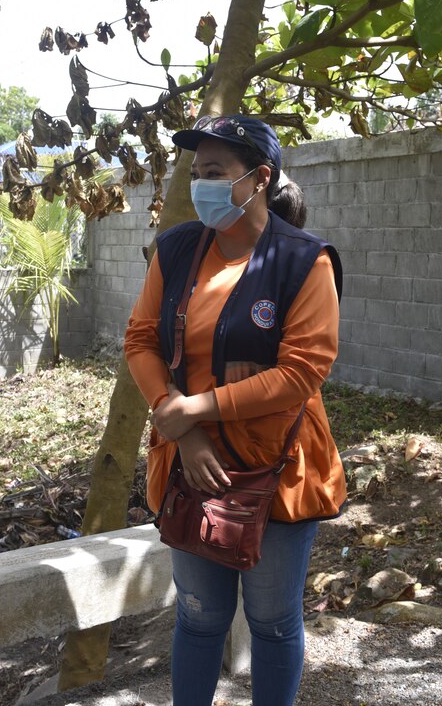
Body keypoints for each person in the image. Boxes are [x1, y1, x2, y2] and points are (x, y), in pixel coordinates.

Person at [123, 114, 345, 705]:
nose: (202, 185)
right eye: (197, 172)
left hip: (276, 470)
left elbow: (302, 372)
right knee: (198, 617)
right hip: (191, 466)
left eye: (216, 172)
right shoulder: (176, 250)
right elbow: (141, 339)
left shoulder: (304, 261)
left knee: (272, 621)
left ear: (260, 178)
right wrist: (182, 428)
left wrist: (197, 408)